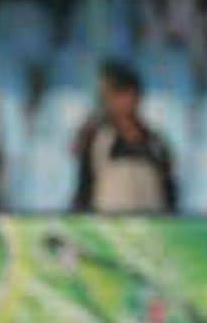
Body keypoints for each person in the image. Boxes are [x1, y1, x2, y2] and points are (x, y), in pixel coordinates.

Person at [72, 62, 178, 213]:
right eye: (106, 96)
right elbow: (85, 189)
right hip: (108, 228)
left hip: (151, 227)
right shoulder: (96, 138)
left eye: (119, 94)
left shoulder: (156, 143)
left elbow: (169, 193)